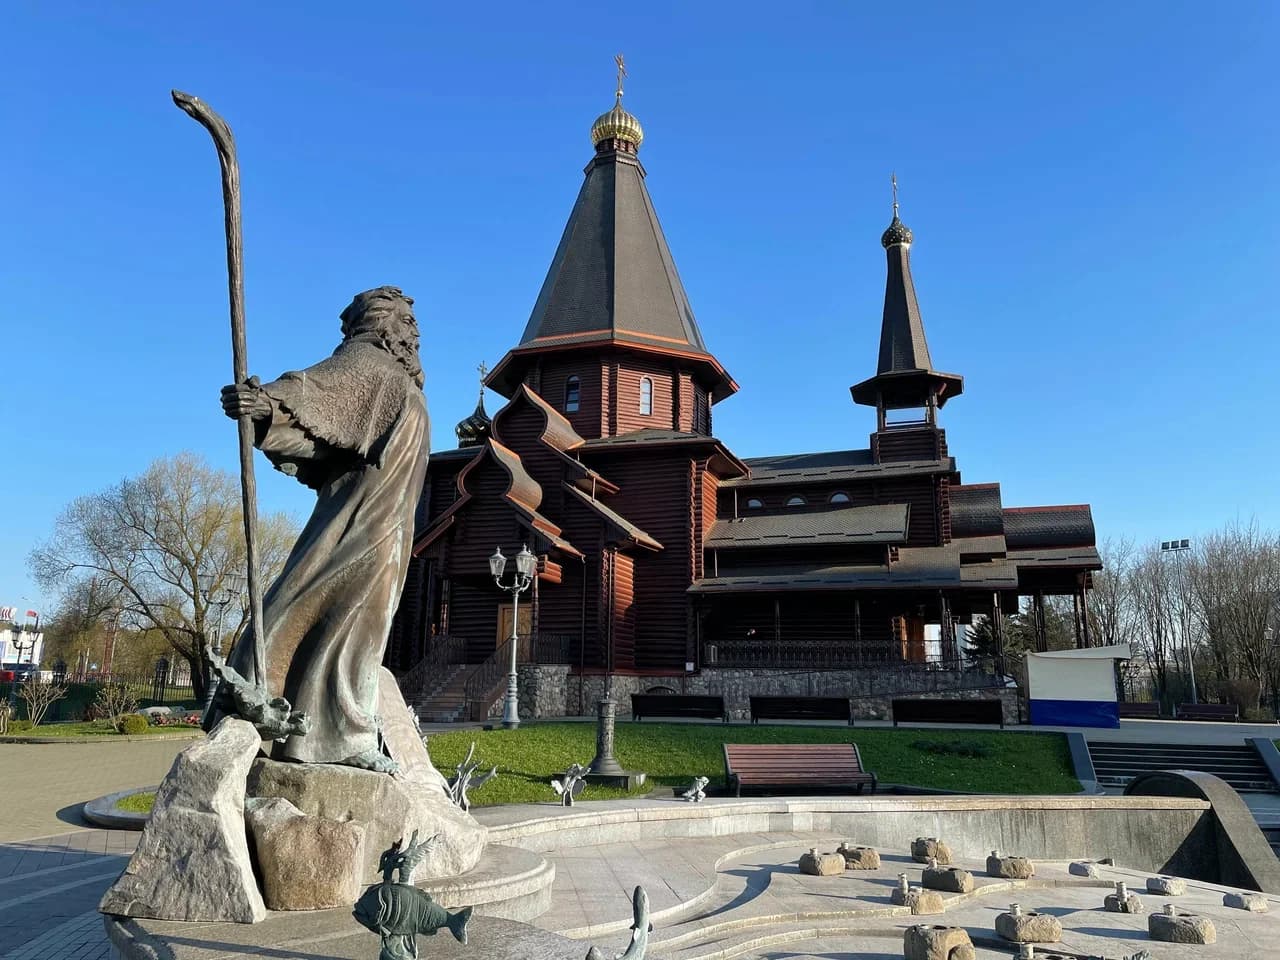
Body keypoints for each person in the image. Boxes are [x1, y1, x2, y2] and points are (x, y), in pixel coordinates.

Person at [215, 286, 428, 771]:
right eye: (404, 320)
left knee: (350, 622)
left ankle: (313, 733)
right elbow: (316, 391)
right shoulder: (370, 363)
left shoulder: (399, 381)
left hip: (390, 524)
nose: (413, 331)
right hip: (362, 522)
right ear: (382, 324)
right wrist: (266, 406)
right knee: (343, 616)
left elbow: (332, 439)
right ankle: (341, 738)